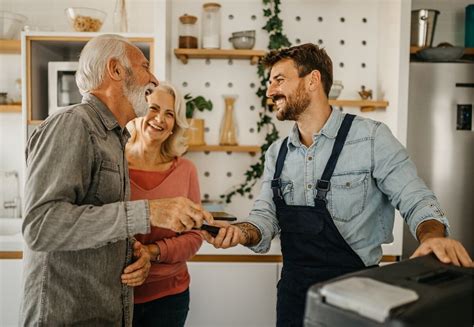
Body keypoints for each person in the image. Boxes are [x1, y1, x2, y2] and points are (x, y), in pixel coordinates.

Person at [202, 43, 473, 327]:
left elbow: (415, 198)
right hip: (295, 297)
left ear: (313, 80)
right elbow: (264, 217)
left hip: (358, 298)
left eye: (279, 80)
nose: (269, 92)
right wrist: (239, 233)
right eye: (269, 83)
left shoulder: (371, 139)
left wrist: (432, 237)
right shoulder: (276, 153)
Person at [20, 34, 212, 326]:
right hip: (67, 315)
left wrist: (140, 256)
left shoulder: (112, 138)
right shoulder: (73, 123)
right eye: (145, 66)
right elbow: (41, 225)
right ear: (116, 70)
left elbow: (99, 227)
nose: (154, 78)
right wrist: (149, 212)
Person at [125, 82, 202, 327]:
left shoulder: (186, 170)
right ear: (137, 111)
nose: (159, 119)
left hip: (170, 297)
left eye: (169, 114)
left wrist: (152, 252)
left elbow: (194, 235)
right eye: (153, 108)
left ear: (174, 126)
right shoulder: (113, 164)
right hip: (117, 293)